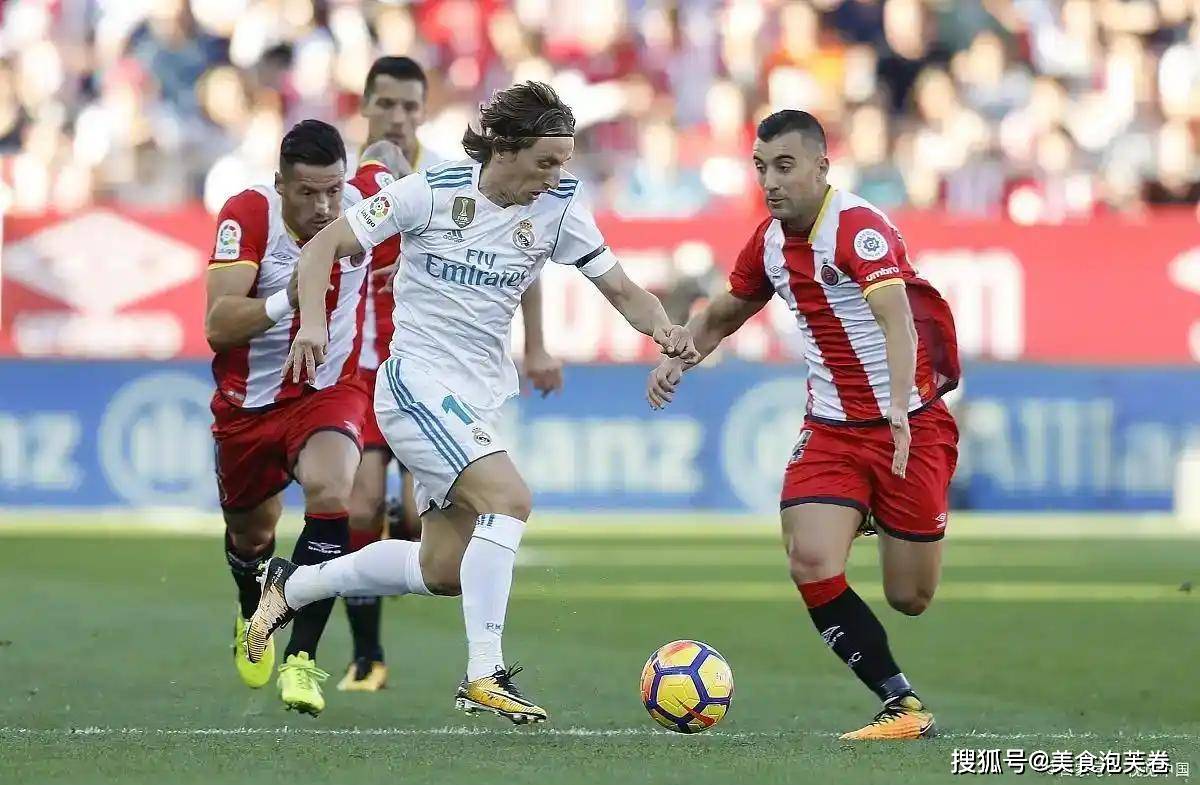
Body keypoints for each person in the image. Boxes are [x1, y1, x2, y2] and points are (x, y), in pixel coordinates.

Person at [246, 81, 696, 725]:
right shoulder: (430, 192)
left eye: (564, 162)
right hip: (415, 384)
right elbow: (322, 247)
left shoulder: (560, 206)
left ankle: (294, 585)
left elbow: (624, 291)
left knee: (445, 568)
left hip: (477, 399)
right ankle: (483, 673)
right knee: (509, 499)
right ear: (505, 149)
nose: (556, 175)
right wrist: (312, 325)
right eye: (546, 161)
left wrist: (665, 331)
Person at [646, 110, 960, 741]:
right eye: (761, 167)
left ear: (822, 166)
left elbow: (897, 321)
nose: (770, 181)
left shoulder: (858, 229)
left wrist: (899, 407)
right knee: (810, 560)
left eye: (784, 166)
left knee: (910, 597)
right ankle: (900, 703)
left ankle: (869, 511)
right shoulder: (767, 243)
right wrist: (679, 357)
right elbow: (726, 313)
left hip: (909, 426)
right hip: (832, 430)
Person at [337, 56, 565, 693]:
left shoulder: (456, 177)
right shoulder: (346, 183)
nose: (399, 117)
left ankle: (305, 590)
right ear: (366, 106)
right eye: (387, 104)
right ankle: (368, 653)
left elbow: (522, 258)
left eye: (411, 106)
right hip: (363, 366)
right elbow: (323, 250)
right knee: (362, 501)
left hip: (449, 375)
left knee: (433, 546)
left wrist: (536, 346)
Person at [206, 118, 405, 716]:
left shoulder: (368, 201)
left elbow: (389, 155)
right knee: (251, 537)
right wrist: (287, 298)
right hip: (249, 406)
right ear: (280, 184)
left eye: (333, 191)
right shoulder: (249, 215)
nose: (323, 207)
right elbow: (218, 325)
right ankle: (253, 609)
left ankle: (302, 657)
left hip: (329, 390)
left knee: (331, 490)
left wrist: (412, 231)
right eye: (307, 193)